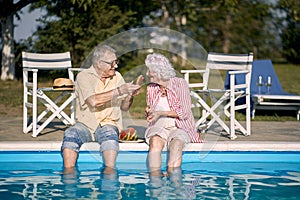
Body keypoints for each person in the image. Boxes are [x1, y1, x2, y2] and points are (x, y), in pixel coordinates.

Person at [61, 45, 141, 171]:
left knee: (110, 137)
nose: (116, 66)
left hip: (109, 123)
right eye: (112, 63)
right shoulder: (84, 76)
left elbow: (125, 107)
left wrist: (129, 96)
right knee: (70, 134)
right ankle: (69, 177)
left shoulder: (117, 77)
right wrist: (119, 91)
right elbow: (92, 101)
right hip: (85, 124)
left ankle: (109, 176)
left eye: (116, 62)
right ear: (99, 63)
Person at [144, 53, 202, 175]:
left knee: (176, 144)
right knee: (155, 142)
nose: (147, 74)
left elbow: (185, 113)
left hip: (180, 126)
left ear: (159, 71)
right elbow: (151, 114)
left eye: (150, 71)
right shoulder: (151, 88)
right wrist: (150, 113)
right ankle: (155, 181)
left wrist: (160, 112)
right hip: (159, 127)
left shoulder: (180, 84)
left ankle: (173, 180)